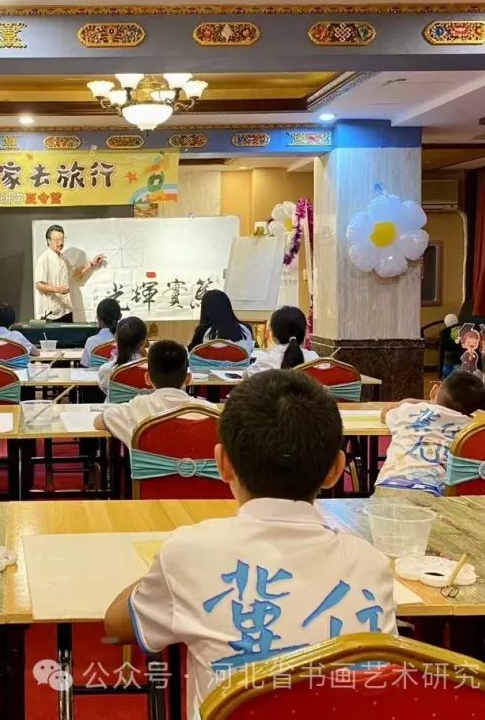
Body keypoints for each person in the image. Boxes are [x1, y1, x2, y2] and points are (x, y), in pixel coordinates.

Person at [103, 370, 396, 713]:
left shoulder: (188, 552)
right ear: (336, 470)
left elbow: (116, 626)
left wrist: (171, 566)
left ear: (222, 463)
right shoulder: (372, 564)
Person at [375, 371, 485, 496]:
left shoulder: (408, 411)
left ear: (434, 390)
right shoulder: (470, 427)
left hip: (390, 486)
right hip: (434, 492)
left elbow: (386, 412)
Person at [95, 340, 217, 447]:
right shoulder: (209, 411)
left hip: (145, 468)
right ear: (189, 379)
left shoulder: (136, 407)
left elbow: (99, 422)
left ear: (147, 378)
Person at [34, 224, 106, 323]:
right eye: (56, 240)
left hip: (66, 309)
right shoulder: (44, 258)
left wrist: (91, 263)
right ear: (48, 240)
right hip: (51, 313)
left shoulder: (63, 258)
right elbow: (39, 284)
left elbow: (74, 273)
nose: (60, 243)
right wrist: (58, 290)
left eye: (62, 239)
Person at [246, 306, 319, 376]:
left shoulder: (265, 358)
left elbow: (246, 375)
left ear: (273, 334)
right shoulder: (313, 358)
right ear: (304, 332)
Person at [189, 289, 254, 355]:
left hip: (210, 362)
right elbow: (250, 350)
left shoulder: (202, 330)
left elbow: (191, 352)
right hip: (241, 362)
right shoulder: (246, 328)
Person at [97, 316, 148, 395]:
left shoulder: (105, 369)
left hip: (113, 404)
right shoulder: (152, 371)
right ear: (143, 342)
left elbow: (105, 390)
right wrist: (146, 358)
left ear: (116, 338)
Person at [82, 298, 121, 368]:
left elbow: (85, 366)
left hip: (96, 375)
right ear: (119, 317)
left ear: (98, 318)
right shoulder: (126, 340)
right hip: (119, 375)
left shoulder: (91, 341)